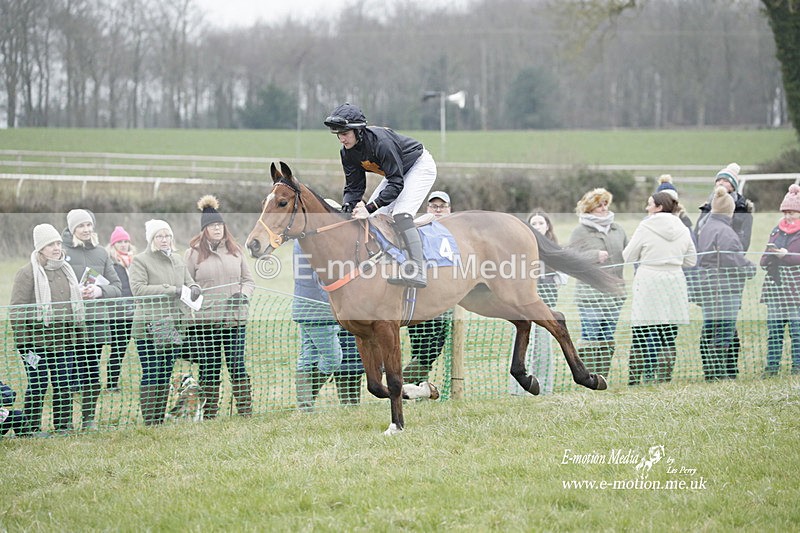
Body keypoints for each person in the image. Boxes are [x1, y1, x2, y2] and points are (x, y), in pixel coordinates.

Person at [324, 102, 437, 288]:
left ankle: (417, 269)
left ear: (358, 131)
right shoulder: (347, 153)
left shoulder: (381, 143)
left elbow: (396, 184)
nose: (341, 139)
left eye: (345, 133)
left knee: (401, 214)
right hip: (396, 174)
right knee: (375, 219)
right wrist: (347, 208)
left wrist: (369, 207)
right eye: (338, 134)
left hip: (419, 166)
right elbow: (354, 187)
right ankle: (390, 264)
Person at [184, 195, 256, 418]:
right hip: (206, 322)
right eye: (212, 225)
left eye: (220, 225)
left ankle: (245, 410)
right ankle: (209, 412)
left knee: (236, 365)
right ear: (204, 229)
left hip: (235, 319)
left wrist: (243, 295)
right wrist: (194, 293)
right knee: (210, 366)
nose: (217, 228)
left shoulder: (236, 251)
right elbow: (186, 283)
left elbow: (248, 280)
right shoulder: (192, 254)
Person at [10, 224, 84, 436]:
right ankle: (29, 427)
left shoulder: (66, 270)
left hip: (64, 342)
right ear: (40, 248)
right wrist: (24, 345)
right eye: (51, 244)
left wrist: (78, 335)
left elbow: (74, 306)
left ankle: (63, 425)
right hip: (35, 344)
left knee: (63, 384)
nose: (56, 248)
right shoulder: (26, 273)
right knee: (38, 385)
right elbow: (17, 311)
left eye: (58, 243)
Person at [130, 219, 201, 426]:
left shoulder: (178, 259)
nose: (164, 239)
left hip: (174, 326)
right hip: (149, 328)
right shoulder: (141, 260)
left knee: (165, 373)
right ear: (151, 239)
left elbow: (189, 281)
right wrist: (171, 290)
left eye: (167, 235)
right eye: (159, 236)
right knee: (152, 372)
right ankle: (150, 421)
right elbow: (138, 289)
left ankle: (158, 419)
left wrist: (194, 288)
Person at [623, 192, 697, 385]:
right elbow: (691, 260)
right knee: (668, 335)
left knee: (641, 333)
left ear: (659, 207)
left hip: (649, 280)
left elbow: (628, 256)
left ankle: (634, 381)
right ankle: (663, 379)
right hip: (674, 280)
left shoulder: (645, 226)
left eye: (649, 204)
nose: (646, 208)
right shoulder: (682, 227)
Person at [62, 209, 122, 430]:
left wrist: (99, 292)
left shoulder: (101, 253)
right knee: (65, 376)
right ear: (72, 229)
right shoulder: (61, 251)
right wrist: (74, 293)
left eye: (89, 225)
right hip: (69, 324)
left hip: (95, 324)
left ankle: (88, 419)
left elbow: (117, 287)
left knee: (91, 374)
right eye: (81, 226)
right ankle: (64, 423)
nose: (86, 229)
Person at [292, 238, 363, 411]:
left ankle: (305, 406)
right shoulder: (312, 241)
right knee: (333, 359)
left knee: (307, 357)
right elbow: (322, 278)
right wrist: (338, 303)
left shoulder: (302, 240)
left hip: (305, 306)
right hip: (319, 309)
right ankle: (306, 401)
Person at [694, 186, 756, 380]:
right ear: (729, 210)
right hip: (725, 288)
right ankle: (719, 374)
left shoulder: (706, 227)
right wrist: (750, 268)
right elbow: (733, 259)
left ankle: (710, 372)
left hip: (708, 286)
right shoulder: (725, 232)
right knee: (724, 330)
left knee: (710, 329)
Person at [568, 188, 628, 378]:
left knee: (607, 337)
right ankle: (588, 378)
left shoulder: (618, 229)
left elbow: (629, 252)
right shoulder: (580, 231)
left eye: (605, 204)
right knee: (591, 337)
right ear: (589, 208)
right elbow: (570, 258)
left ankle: (602, 377)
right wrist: (593, 256)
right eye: (599, 205)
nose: (604, 208)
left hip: (615, 294)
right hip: (590, 295)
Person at [404, 191, 453, 385]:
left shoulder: (456, 231)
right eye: (434, 206)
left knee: (434, 345)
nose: (438, 210)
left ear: (449, 209)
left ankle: (408, 382)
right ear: (427, 208)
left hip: (445, 297)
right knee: (419, 344)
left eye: (442, 206)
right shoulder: (420, 228)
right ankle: (416, 386)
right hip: (419, 296)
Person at [759, 184, 800, 376]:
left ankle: (797, 367)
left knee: (797, 332)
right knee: (774, 332)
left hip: (796, 291)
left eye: (792, 212)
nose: (788, 216)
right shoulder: (776, 231)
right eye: (785, 212)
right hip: (775, 289)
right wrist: (770, 255)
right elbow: (763, 260)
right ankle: (771, 368)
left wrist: (786, 256)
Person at [695, 162, 755, 251]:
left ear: (733, 187)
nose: (721, 183)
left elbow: (744, 243)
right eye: (718, 180)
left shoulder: (743, 211)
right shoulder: (707, 208)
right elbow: (696, 235)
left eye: (726, 181)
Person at [105, 226, 135, 392]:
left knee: (125, 347)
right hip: (118, 313)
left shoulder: (133, 262)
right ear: (113, 245)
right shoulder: (111, 263)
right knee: (118, 348)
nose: (123, 245)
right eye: (119, 242)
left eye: (126, 241)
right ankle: (111, 383)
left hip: (135, 311)